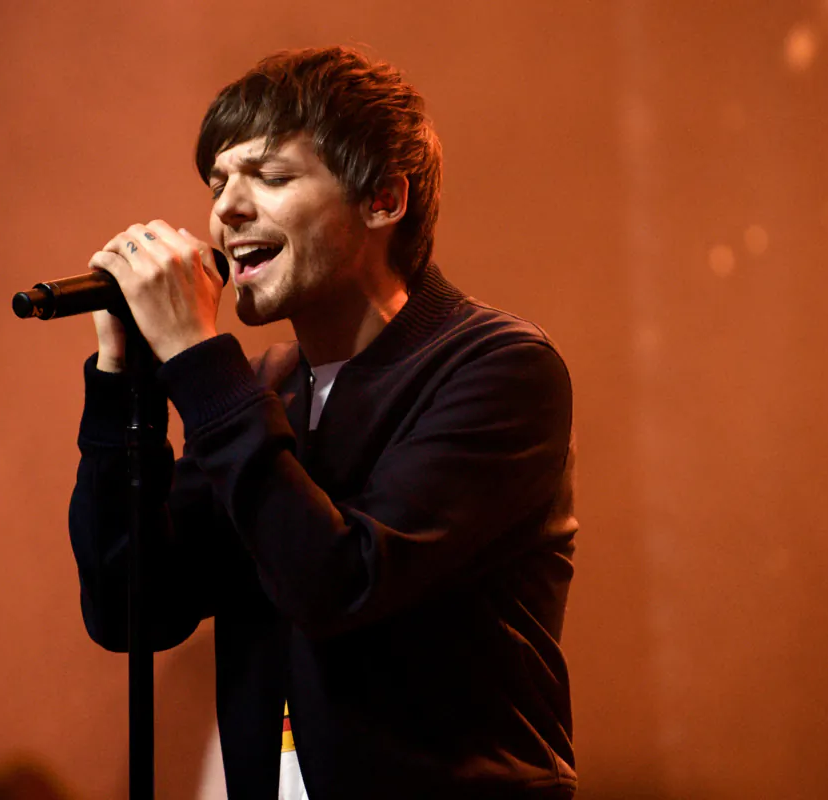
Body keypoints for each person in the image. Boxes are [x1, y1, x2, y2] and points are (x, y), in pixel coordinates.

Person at [68, 46, 578, 800]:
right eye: (218, 183)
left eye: (271, 178)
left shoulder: (497, 367)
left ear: (383, 201)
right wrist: (120, 388)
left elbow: (340, 585)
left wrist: (201, 362)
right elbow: (131, 610)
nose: (225, 211)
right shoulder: (269, 388)